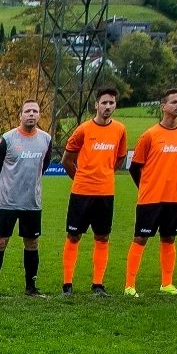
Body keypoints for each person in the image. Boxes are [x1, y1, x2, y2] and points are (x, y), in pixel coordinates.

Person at [124, 88, 177, 297]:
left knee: (169, 238)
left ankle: (167, 283)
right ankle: (129, 285)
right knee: (140, 238)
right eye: (174, 102)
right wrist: (146, 187)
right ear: (163, 106)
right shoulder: (150, 135)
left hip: (175, 197)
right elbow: (134, 167)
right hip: (150, 198)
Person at [60, 86, 126, 296]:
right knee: (73, 236)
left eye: (111, 103)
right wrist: (81, 178)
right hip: (81, 192)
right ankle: (67, 285)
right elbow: (67, 159)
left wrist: (105, 175)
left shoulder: (120, 130)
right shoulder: (83, 130)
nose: (107, 106)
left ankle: (98, 285)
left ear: (115, 105)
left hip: (106, 193)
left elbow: (121, 158)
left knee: (102, 237)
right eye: (104, 102)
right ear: (96, 104)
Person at [0, 99, 53, 298]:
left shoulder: (46, 140)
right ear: (20, 115)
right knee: (0, 242)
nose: (31, 114)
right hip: (7, 202)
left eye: (35, 111)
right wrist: (6, 186)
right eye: (27, 111)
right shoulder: (7, 139)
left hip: (32, 202)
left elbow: (44, 165)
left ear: (39, 115)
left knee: (32, 243)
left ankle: (31, 288)